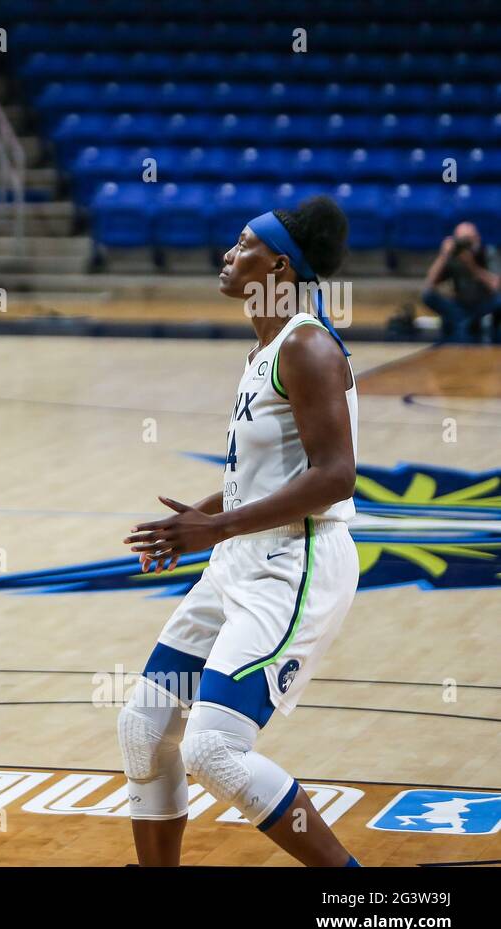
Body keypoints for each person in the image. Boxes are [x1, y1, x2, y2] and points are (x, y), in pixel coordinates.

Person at [119, 195, 363, 867]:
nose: (228, 254)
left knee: (212, 749)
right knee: (144, 727)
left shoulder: (307, 345)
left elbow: (336, 477)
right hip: (241, 559)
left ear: (279, 266)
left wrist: (217, 526)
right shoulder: (264, 350)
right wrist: (197, 521)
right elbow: (259, 478)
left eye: (243, 245)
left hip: (296, 564)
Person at [422, 221, 501, 343]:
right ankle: (467, 321)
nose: (467, 245)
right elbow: (429, 284)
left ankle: (467, 322)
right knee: (427, 295)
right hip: (460, 304)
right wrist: (443, 256)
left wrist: (472, 266)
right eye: (462, 240)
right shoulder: (453, 255)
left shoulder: (488, 252)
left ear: (478, 238)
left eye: (470, 240)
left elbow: (496, 285)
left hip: (484, 303)